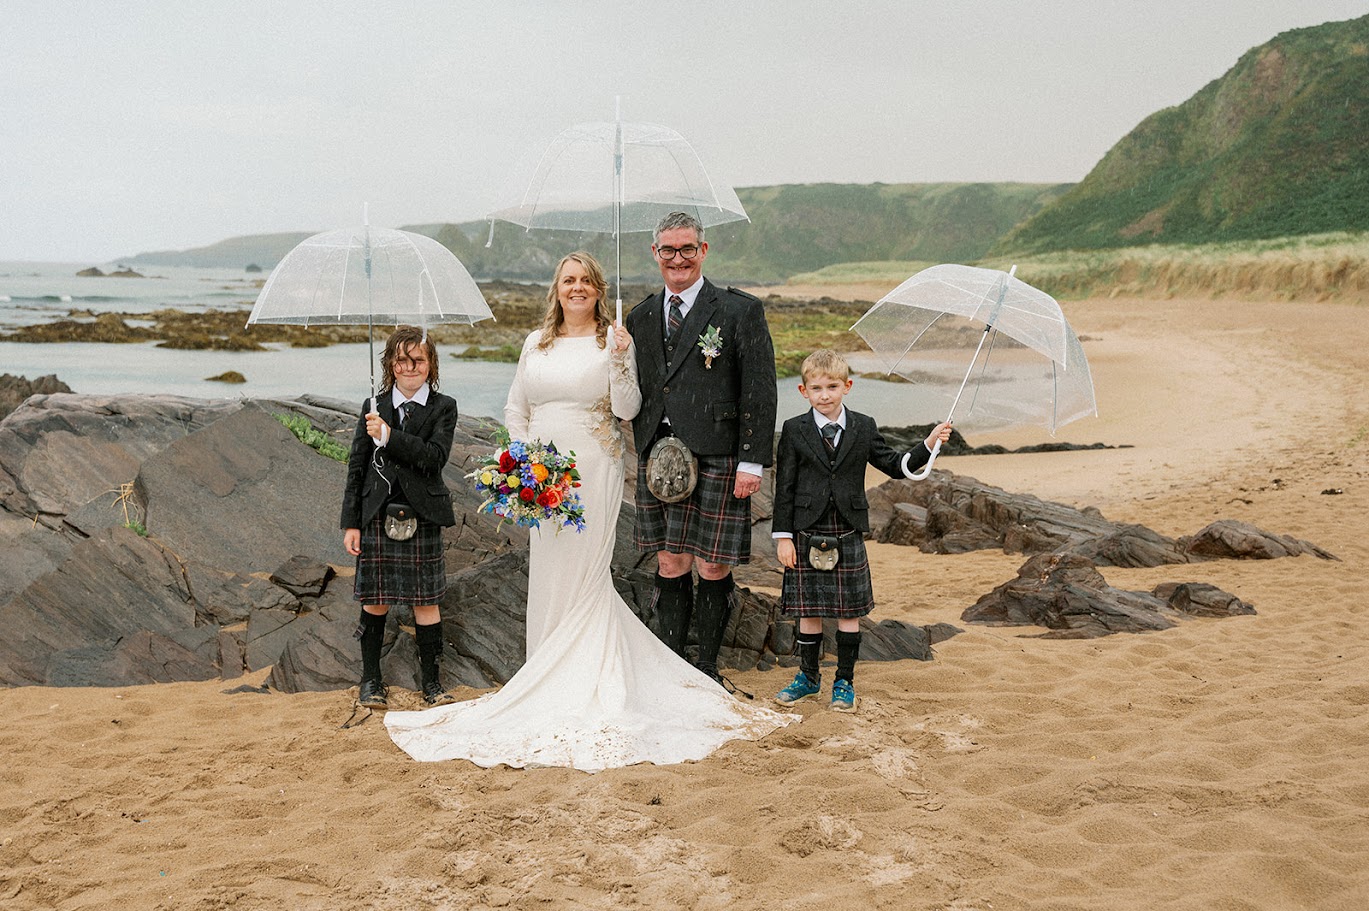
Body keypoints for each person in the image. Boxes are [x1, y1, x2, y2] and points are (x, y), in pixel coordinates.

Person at [383, 252, 794, 770]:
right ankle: (546, 674)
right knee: (551, 572)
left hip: (593, 466)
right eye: (567, 281)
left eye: (584, 281)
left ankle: (595, 677)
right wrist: (522, 460)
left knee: (585, 573)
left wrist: (623, 361)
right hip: (540, 472)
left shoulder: (614, 339)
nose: (576, 288)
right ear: (556, 289)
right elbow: (517, 408)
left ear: (599, 289)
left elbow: (627, 409)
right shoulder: (536, 342)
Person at [624, 211, 778, 684]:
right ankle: (673, 667)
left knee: (712, 564)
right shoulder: (641, 316)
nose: (678, 259)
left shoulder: (738, 311)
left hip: (719, 452)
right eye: (668, 250)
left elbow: (760, 389)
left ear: (703, 251)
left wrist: (752, 460)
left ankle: (707, 667)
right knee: (670, 560)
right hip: (660, 458)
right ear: (655, 254)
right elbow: (635, 388)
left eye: (687, 248)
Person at [771, 349, 952, 712]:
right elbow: (784, 487)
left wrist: (929, 444)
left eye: (833, 386)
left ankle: (844, 682)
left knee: (848, 613)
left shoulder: (864, 426)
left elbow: (896, 465)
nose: (825, 395)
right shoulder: (793, 430)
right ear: (803, 391)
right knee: (808, 612)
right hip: (805, 530)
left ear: (847, 386)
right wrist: (783, 537)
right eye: (817, 388)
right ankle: (807, 678)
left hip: (848, 530)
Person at [341, 325, 459, 710]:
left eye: (419, 360)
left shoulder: (444, 407)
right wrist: (351, 523)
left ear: (431, 364)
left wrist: (389, 435)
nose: (411, 367)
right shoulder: (372, 407)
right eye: (402, 359)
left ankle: (432, 684)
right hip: (377, 514)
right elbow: (356, 467)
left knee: (426, 603)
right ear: (390, 363)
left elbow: (433, 457)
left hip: (422, 514)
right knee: (375, 601)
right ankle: (370, 680)